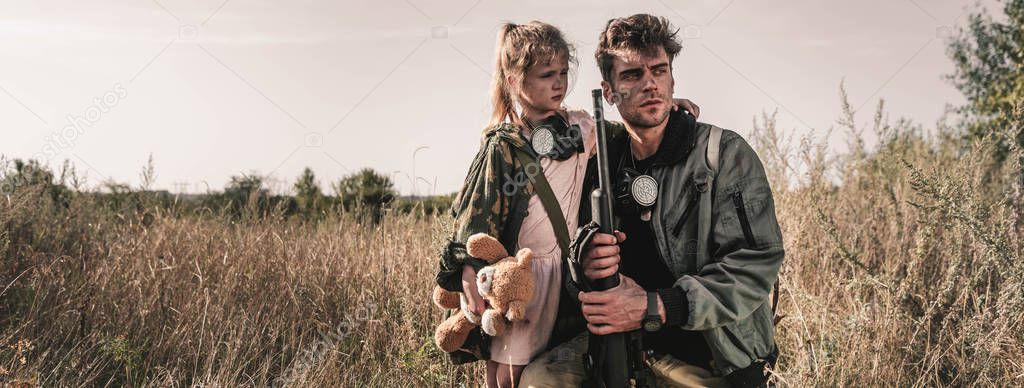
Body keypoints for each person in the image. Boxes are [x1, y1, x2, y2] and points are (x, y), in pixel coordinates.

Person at [519, 14, 784, 388]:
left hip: (711, 355)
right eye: (631, 75)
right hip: (619, 344)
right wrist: (585, 262)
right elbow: (571, 252)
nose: (650, 84)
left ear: (672, 79)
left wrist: (654, 305)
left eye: (659, 70)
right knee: (538, 381)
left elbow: (756, 265)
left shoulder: (723, 154)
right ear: (608, 92)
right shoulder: (601, 158)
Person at [433, 21, 701, 388]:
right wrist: (469, 269)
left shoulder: (580, 126)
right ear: (514, 80)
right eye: (546, 75)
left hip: (566, 275)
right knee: (507, 372)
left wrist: (667, 109)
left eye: (562, 73)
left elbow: (632, 129)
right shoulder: (506, 146)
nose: (558, 84)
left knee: (554, 366)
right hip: (524, 278)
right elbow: (474, 216)